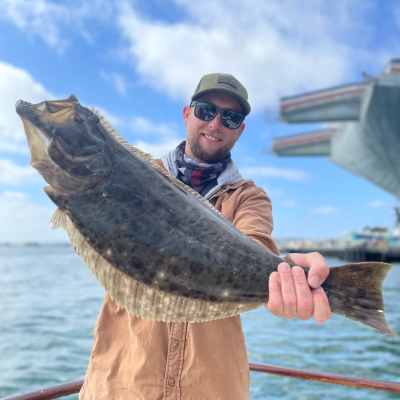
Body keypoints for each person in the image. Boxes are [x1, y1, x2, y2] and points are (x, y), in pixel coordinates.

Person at [79, 73, 331, 400]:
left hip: (211, 388)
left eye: (230, 117)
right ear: (187, 114)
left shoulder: (249, 197)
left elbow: (256, 245)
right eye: (205, 110)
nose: (215, 123)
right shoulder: (135, 177)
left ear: (239, 130)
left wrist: (285, 276)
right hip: (122, 382)